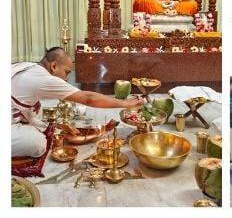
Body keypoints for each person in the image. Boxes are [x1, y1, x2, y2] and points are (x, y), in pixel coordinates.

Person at [11, 48, 141, 157]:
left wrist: (56, 124)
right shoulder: (44, 79)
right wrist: (125, 103)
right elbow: (88, 98)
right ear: (54, 66)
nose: (67, 78)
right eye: (66, 72)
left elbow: (26, 107)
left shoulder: (29, 67)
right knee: (37, 144)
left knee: (40, 118)